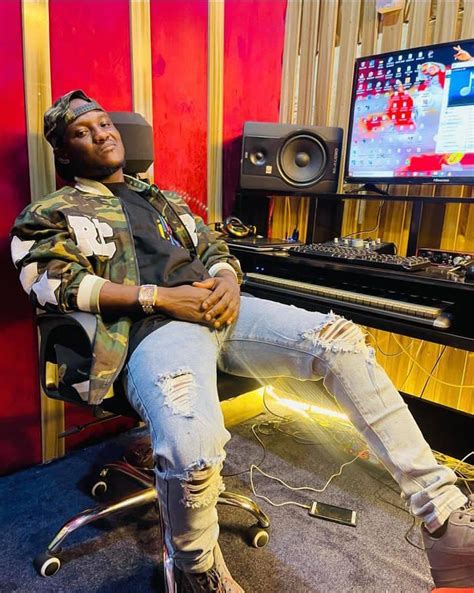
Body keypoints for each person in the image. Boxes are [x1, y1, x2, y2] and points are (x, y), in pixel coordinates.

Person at [10, 90, 473, 592]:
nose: (102, 134)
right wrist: (160, 298)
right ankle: (195, 567)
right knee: (192, 448)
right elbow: (48, 282)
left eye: (104, 123)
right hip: (155, 328)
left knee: (342, 341)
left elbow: (216, 248)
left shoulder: (163, 199)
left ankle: (443, 516)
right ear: (65, 154)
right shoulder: (52, 210)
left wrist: (229, 280)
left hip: (224, 310)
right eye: (83, 132)